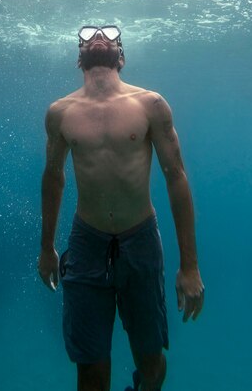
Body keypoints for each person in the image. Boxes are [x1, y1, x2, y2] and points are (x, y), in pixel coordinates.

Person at [38, 25, 204, 391]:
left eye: (110, 32)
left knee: (151, 364)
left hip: (140, 238)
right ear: (79, 55)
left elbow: (176, 178)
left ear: (121, 55)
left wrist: (189, 266)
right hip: (86, 243)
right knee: (90, 370)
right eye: (89, 33)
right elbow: (53, 179)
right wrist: (46, 247)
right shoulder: (59, 112)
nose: (99, 34)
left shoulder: (151, 104)